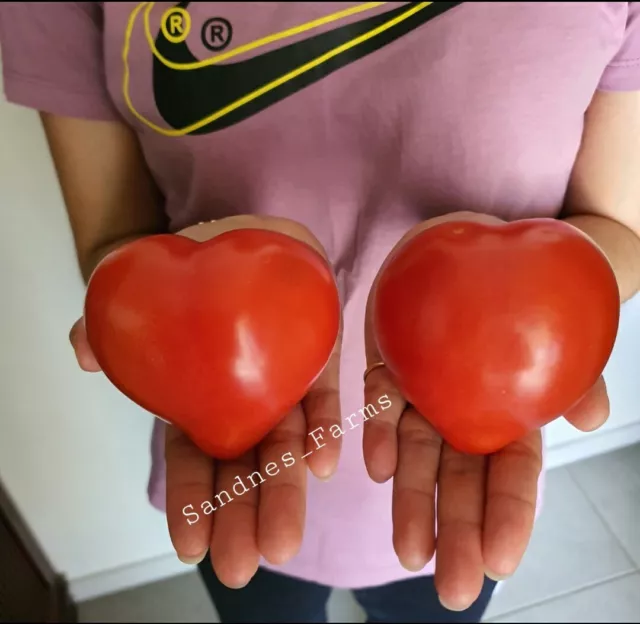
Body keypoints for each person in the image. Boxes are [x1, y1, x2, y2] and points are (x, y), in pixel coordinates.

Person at [2, 2, 639, 622]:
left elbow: (617, 232)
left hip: (469, 479)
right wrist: (237, 266)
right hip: (231, 465)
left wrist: (549, 298)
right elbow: (112, 243)